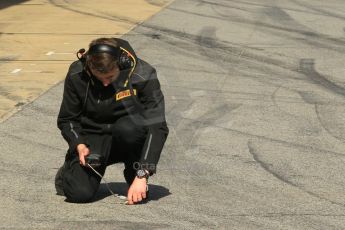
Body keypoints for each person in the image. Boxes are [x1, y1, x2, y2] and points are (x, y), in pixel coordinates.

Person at [55, 37, 169, 205]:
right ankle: (68, 171)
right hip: (93, 136)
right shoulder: (77, 74)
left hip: (128, 134)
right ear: (89, 66)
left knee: (131, 128)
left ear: (120, 63)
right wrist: (78, 144)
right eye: (100, 77)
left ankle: (134, 173)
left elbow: (157, 126)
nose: (106, 83)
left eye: (110, 76)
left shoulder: (143, 74)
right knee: (78, 194)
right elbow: (67, 118)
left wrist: (143, 174)